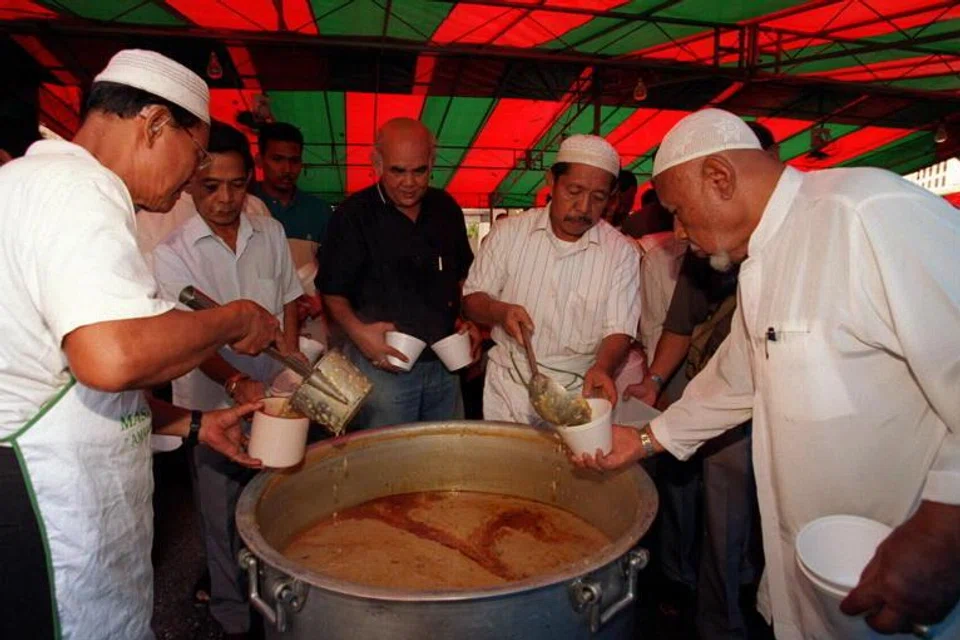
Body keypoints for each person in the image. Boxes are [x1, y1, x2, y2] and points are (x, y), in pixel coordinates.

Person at [576, 109, 960, 639]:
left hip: (901, 560)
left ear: (719, 178)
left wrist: (945, 529)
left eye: (680, 211)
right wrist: (642, 439)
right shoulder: (762, 259)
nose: (680, 232)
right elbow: (738, 378)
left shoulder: (869, 214)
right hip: (817, 577)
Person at [0, 49, 283, 639]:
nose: (192, 179)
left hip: (65, 492)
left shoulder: (41, 183)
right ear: (155, 123)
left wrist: (196, 425)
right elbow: (111, 356)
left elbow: (63, 379)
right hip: (45, 516)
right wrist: (233, 319)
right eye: (197, 155)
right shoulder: (76, 186)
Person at [152, 121, 303, 639]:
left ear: (250, 181)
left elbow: (288, 300)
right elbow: (188, 338)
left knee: (279, 504)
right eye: (211, 186)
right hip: (210, 402)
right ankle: (232, 621)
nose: (224, 198)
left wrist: (291, 359)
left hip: (275, 397)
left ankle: (282, 611)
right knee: (219, 521)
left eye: (237, 185)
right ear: (192, 181)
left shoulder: (271, 233)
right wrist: (237, 381)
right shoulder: (172, 252)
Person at [462, 134, 641, 423]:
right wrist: (500, 311)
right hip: (510, 383)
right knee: (506, 466)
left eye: (597, 198)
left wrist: (604, 367)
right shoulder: (509, 233)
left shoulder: (621, 252)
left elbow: (619, 327)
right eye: (574, 191)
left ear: (611, 199)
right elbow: (472, 300)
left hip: (580, 387)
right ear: (551, 182)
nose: (583, 207)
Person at [319, 118, 479, 429]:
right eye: (397, 171)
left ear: (432, 163)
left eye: (419, 170)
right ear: (377, 163)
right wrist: (360, 334)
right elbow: (331, 290)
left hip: (445, 366)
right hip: (381, 370)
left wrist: (467, 320)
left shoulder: (446, 208)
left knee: (445, 459)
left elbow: (462, 279)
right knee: (385, 465)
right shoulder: (354, 215)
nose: (409, 182)